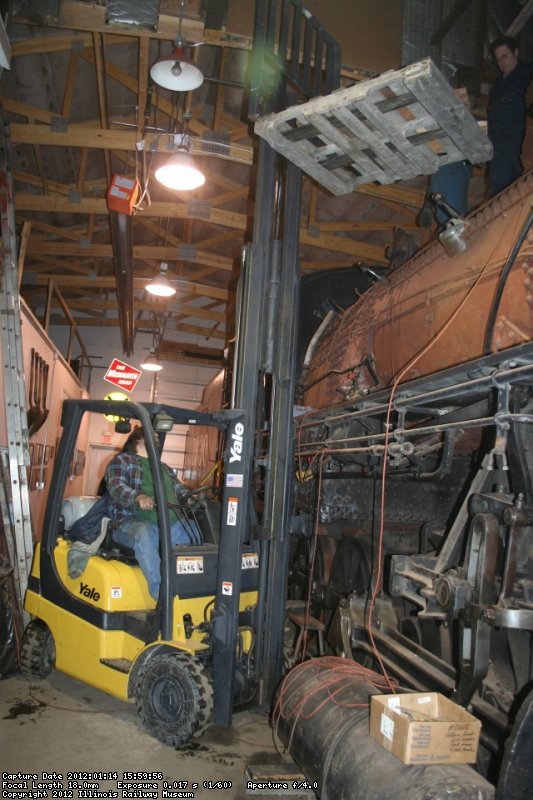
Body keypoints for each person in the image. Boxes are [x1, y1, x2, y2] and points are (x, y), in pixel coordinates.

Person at [105, 427, 200, 600]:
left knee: (193, 531)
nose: (157, 439)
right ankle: (161, 595)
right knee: (145, 533)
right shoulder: (123, 460)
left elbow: (179, 490)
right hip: (131, 523)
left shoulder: (163, 467)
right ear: (139, 439)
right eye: (153, 436)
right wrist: (138, 496)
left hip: (169, 524)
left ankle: (187, 588)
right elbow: (116, 486)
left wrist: (194, 499)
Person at [487, 35, 533, 196]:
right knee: (498, 198)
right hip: (500, 152)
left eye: (505, 56)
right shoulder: (498, 87)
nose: (502, 63)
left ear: (516, 52)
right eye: (498, 59)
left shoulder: (528, 74)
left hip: (521, 146)